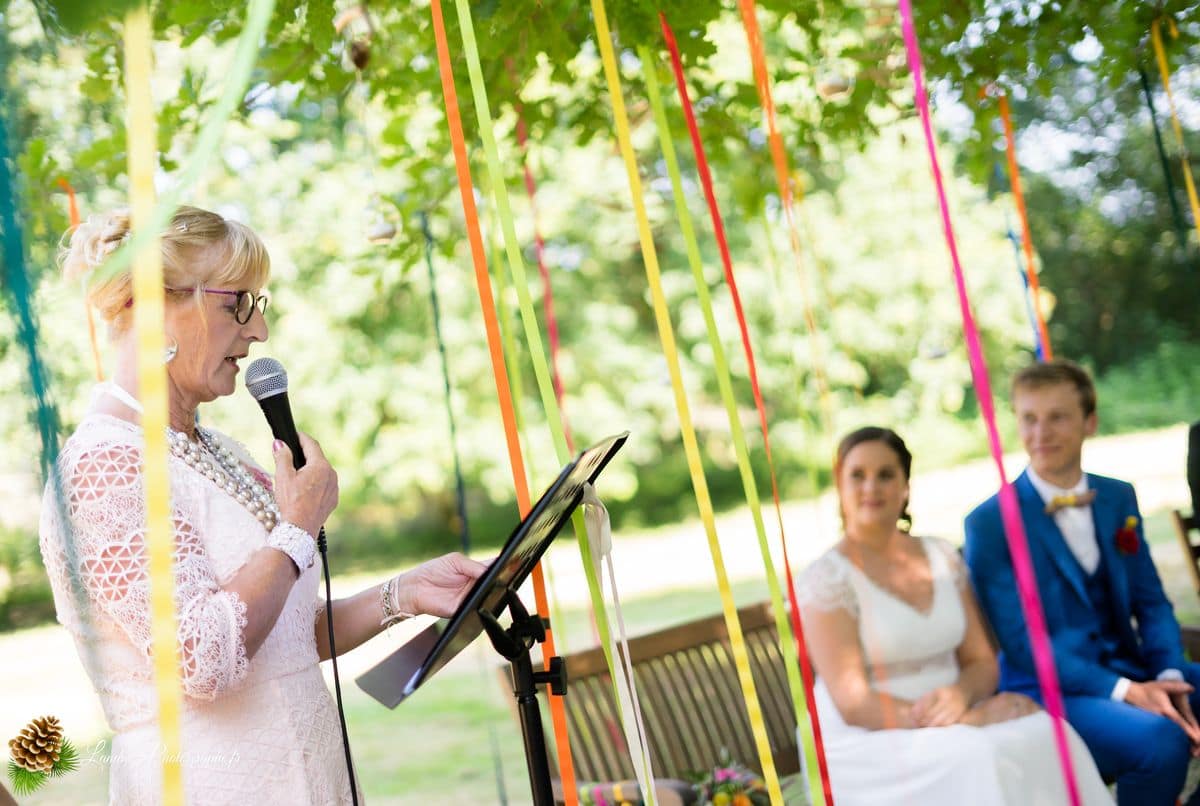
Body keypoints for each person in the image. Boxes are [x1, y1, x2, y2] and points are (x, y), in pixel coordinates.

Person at [38, 206, 488, 804]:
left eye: (258, 305)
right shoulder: (104, 467)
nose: (258, 333)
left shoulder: (217, 450)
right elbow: (202, 657)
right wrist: (298, 524)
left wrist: (403, 594)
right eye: (237, 305)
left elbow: (282, 635)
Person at [799, 426, 1111, 805]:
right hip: (874, 734)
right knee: (977, 756)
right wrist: (964, 721)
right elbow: (853, 704)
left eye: (886, 474)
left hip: (957, 707)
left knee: (1049, 731)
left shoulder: (941, 556)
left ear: (906, 486)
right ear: (839, 485)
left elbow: (980, 660)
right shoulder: (827, 578)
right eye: (858, 475)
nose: (872, 487)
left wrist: (963, 694)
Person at [965, 359, 1200, 806]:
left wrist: (1169, 673)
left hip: (1133, 667)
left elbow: (1151, 602)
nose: (1041, 433)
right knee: (1161, 741)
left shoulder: (1117, 496)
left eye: (1058, 417)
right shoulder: (990, 523)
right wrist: (1127, 692)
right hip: (1048, 690)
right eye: (1029, 419)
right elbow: (1022, 644)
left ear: (1090, 422)